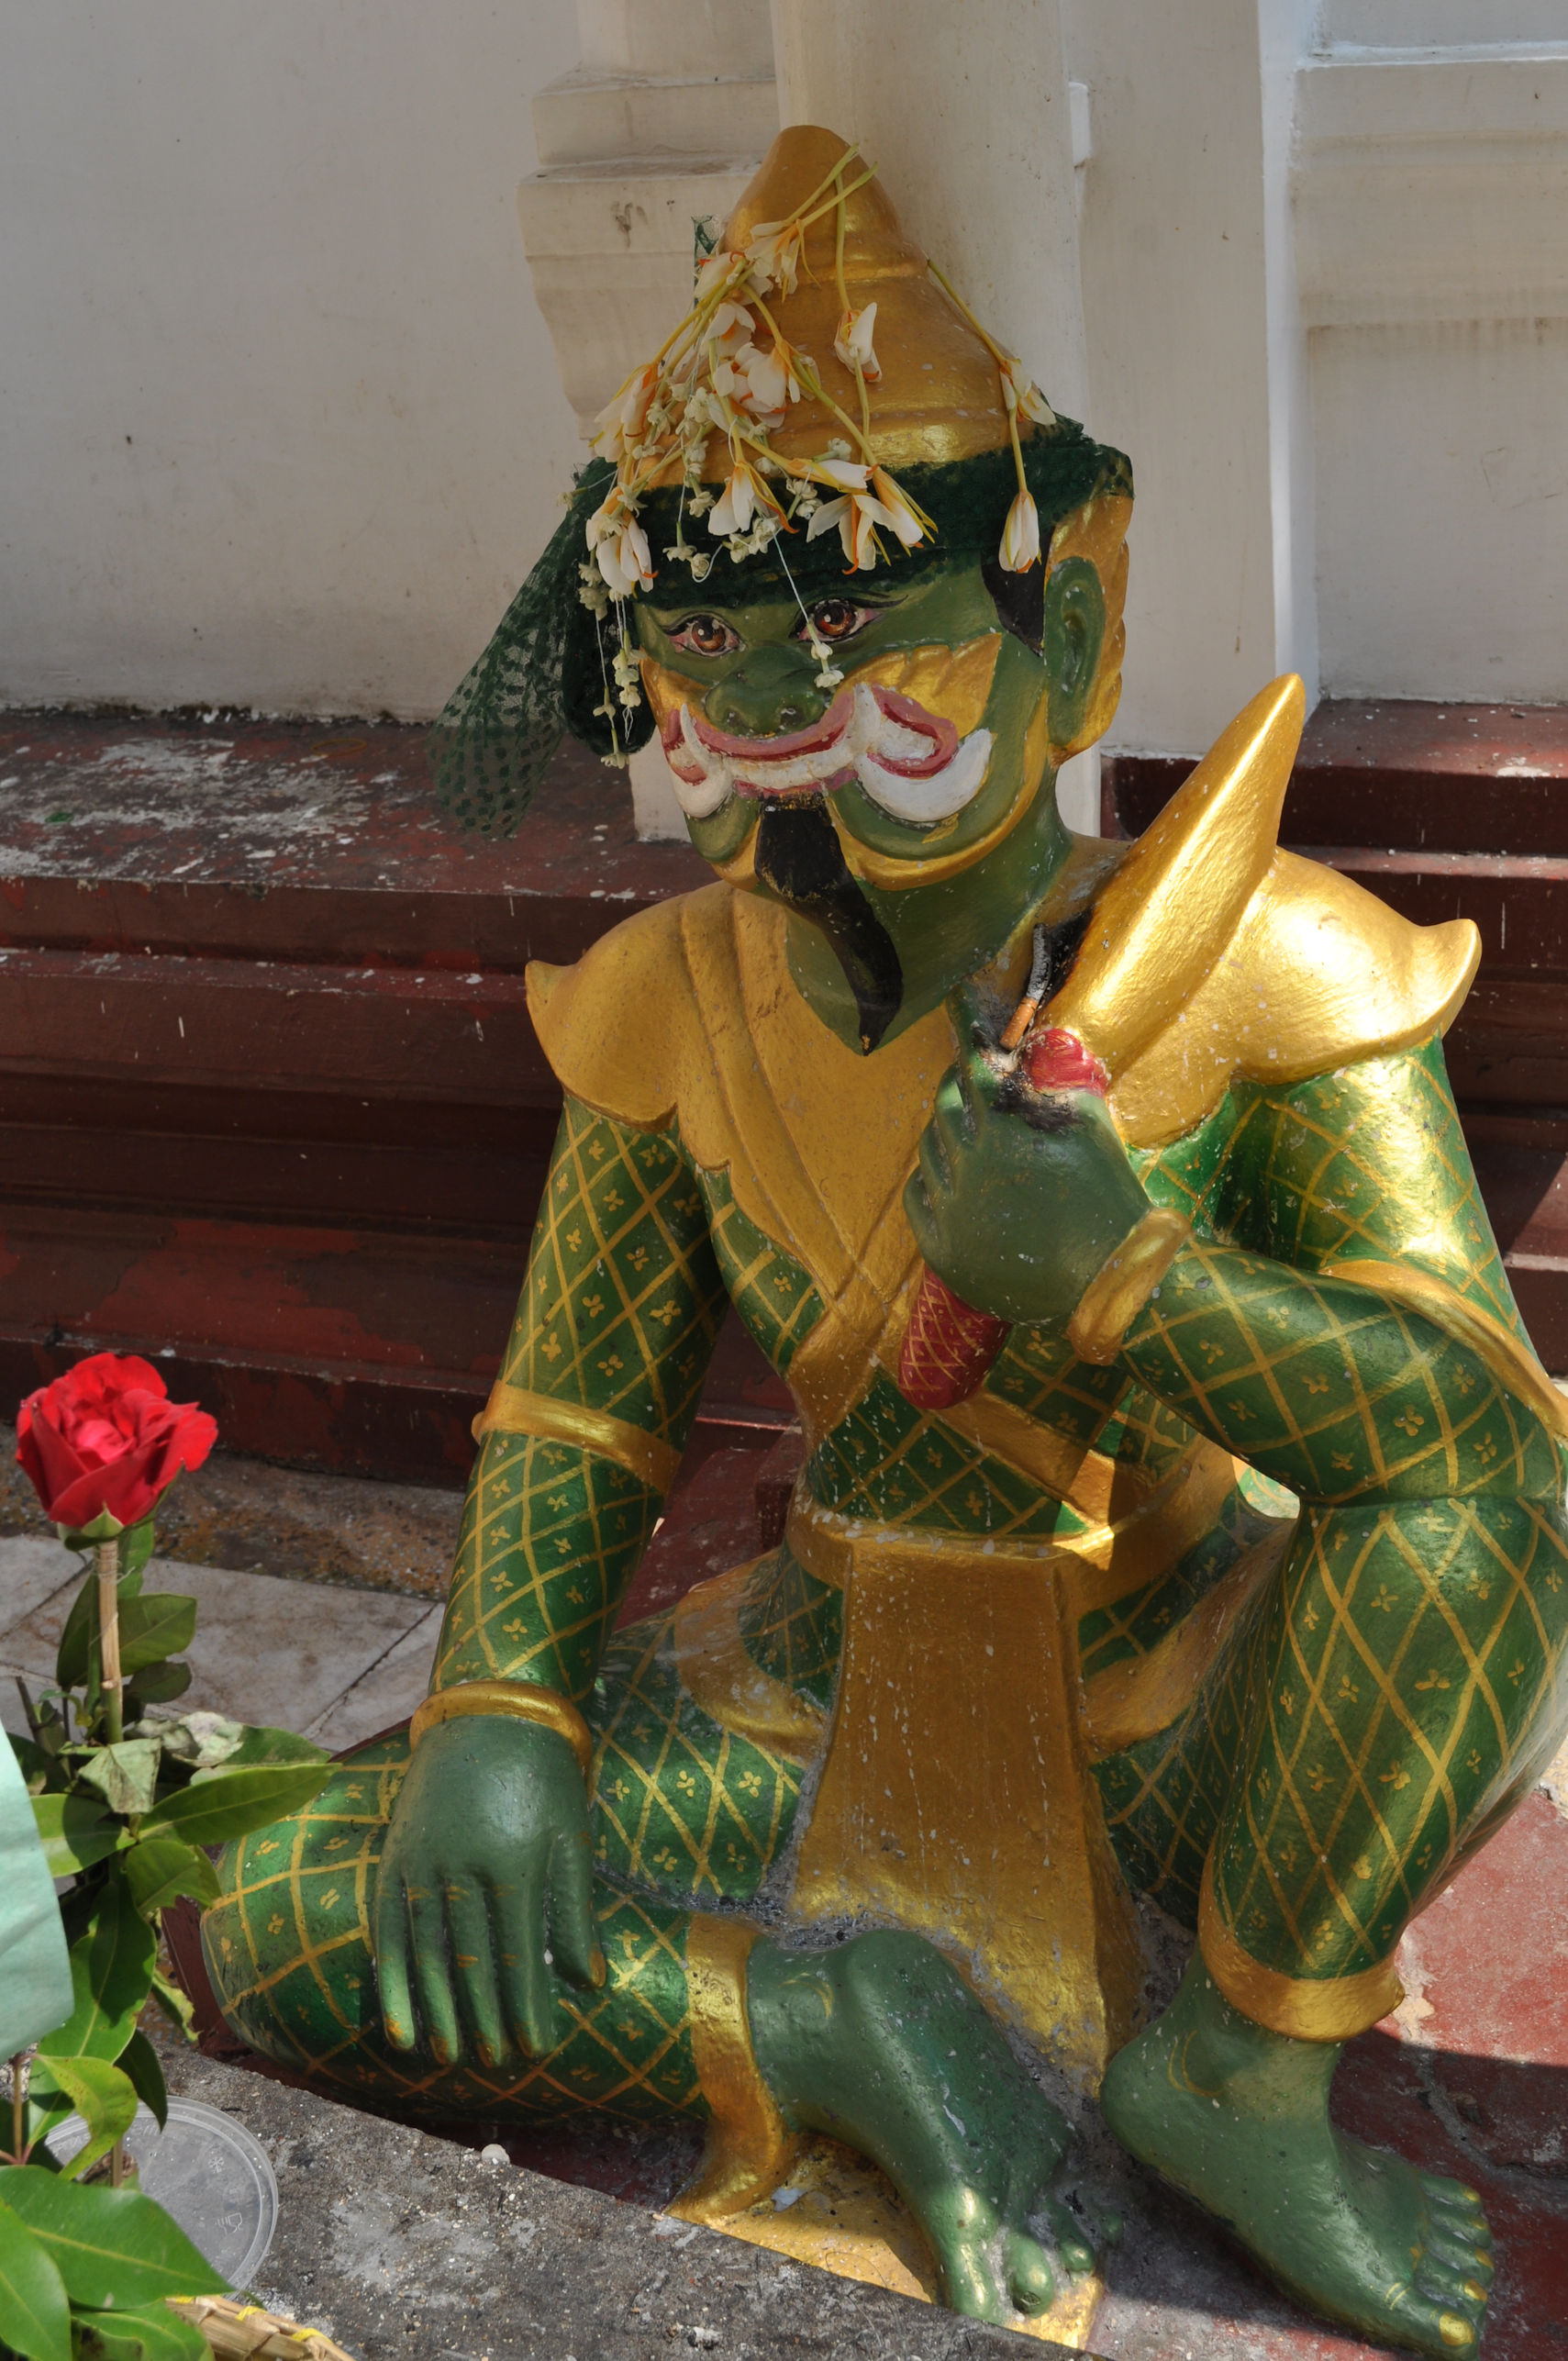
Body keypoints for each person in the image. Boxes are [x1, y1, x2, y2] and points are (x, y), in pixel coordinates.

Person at [203, 127, 1566, 2355]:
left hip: (1176, 1713)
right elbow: (575, 1414)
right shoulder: (673, 1001)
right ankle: (822, 2023)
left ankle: (1238, 2064)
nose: (780, 736)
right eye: (714, 656)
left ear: (1071, 630)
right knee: (280, 1909)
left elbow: (1466, 1440)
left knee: (1510, 1530)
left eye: (852, 642)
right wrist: (502, 1704)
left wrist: (1126, 1279)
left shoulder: (1269, 968)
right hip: (806, 1693)